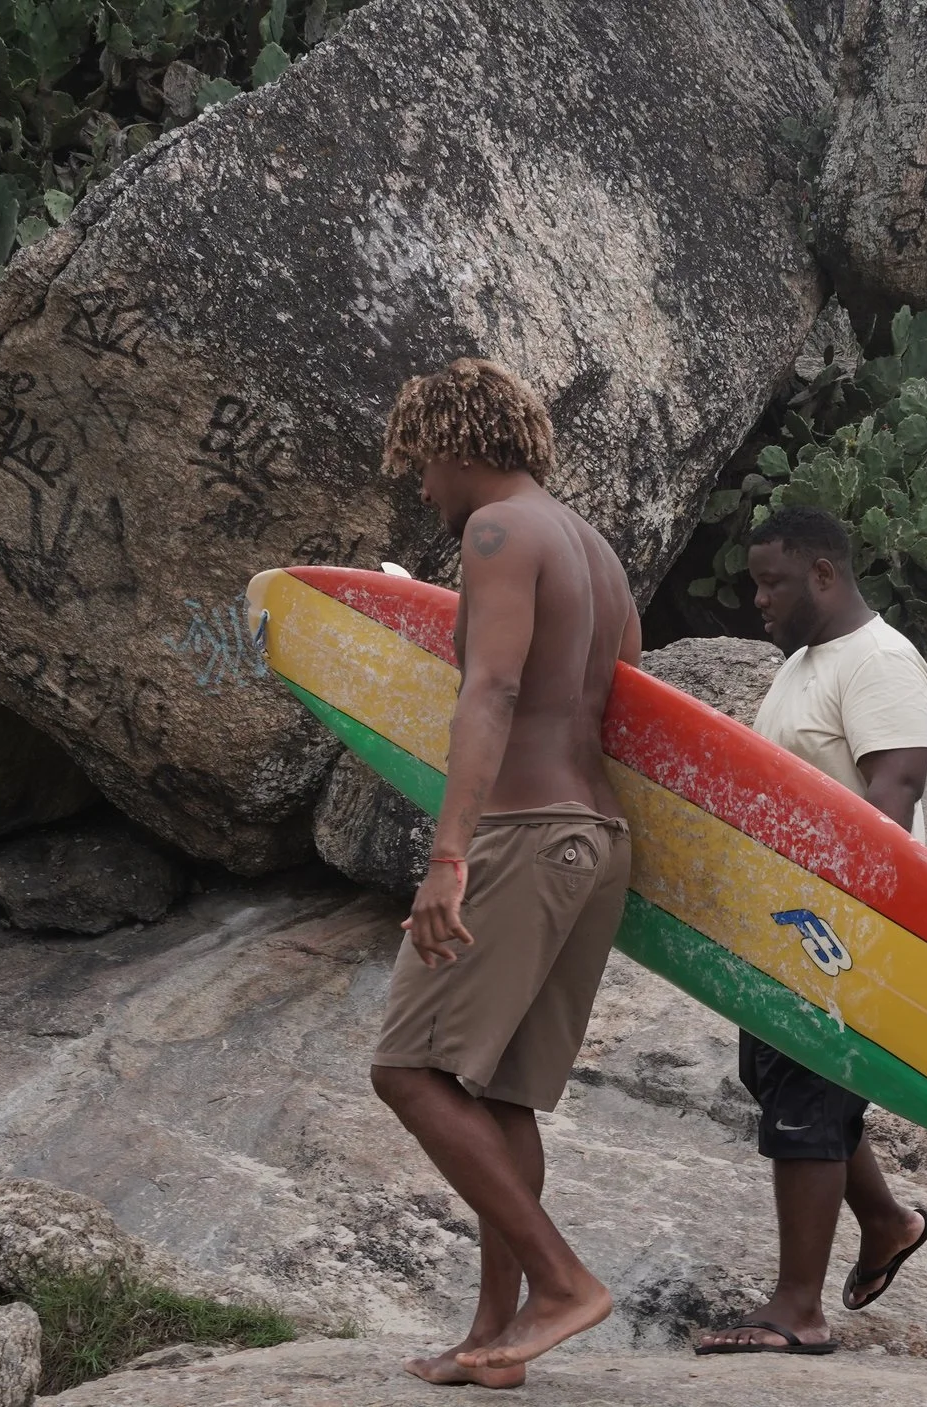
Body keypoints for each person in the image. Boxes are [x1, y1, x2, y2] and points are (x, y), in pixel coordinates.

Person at [367, 358, 639, 1388]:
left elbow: (489, 693)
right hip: (595, 841)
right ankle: (495, 1336)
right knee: (502, 1098)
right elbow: (623, 668)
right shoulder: (590, 547)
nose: (422, 490)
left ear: (460, 447)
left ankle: (562, 1284)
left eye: (422, 467)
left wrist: (448, 858)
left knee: (408, 1071)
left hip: (522, 833)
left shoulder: (495, 532)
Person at [694, 505, 927, 1357]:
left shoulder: (880, 662)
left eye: (773, 582)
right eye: (756, 582)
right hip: (785, 922)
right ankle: (885, 1221)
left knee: (808, 1096)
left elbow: (892, 800)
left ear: (825, 575)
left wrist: (838, 929)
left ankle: (798, 1308)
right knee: (774, 1077)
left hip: (844, 932)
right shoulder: (802, 664)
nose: (759, 599)